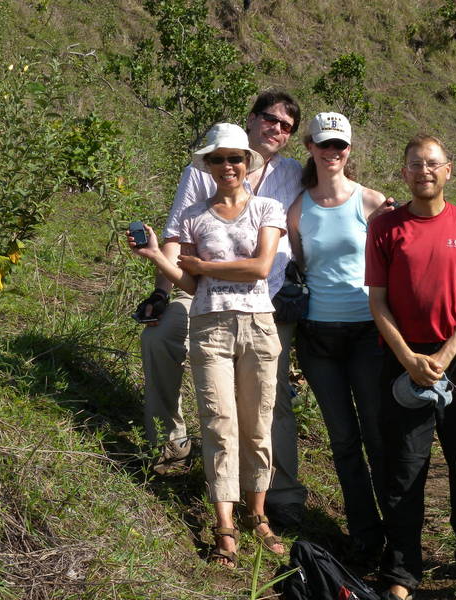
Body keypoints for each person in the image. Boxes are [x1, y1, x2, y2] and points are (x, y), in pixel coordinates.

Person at [136, 91, 307, 528]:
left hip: (266, 300)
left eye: (287, 126)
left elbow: (334, 192)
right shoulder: (201, 176)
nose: (277, 130)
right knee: (159, 338)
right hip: (204, 296)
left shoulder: (289, 175)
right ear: (251, 119)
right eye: (270, 119)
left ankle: (278, 494)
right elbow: (177, 243)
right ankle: (169, 442)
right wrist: (161, 288)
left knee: (269, 405)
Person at [365, 134, 456, 600]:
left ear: (449, 170)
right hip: (402, 357)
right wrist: (407, 356)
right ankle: (402, 569)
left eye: (433, 163)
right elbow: (377, 300)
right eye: (414, 164)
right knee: (404, 467)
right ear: (403, 172)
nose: (424, 170)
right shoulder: (385, 228)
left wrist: (445, 355)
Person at [287, 112, 389, 557]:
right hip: (318, 336)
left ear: (350, 150)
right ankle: (365, 537)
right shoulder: (298, 207)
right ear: (309, 146)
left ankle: (398, 534)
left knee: (377, 433)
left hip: (368, 332)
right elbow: (298, 266)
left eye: (340, 145)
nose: (332, 153)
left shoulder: (372, 202)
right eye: (324, 144)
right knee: (344, 440)